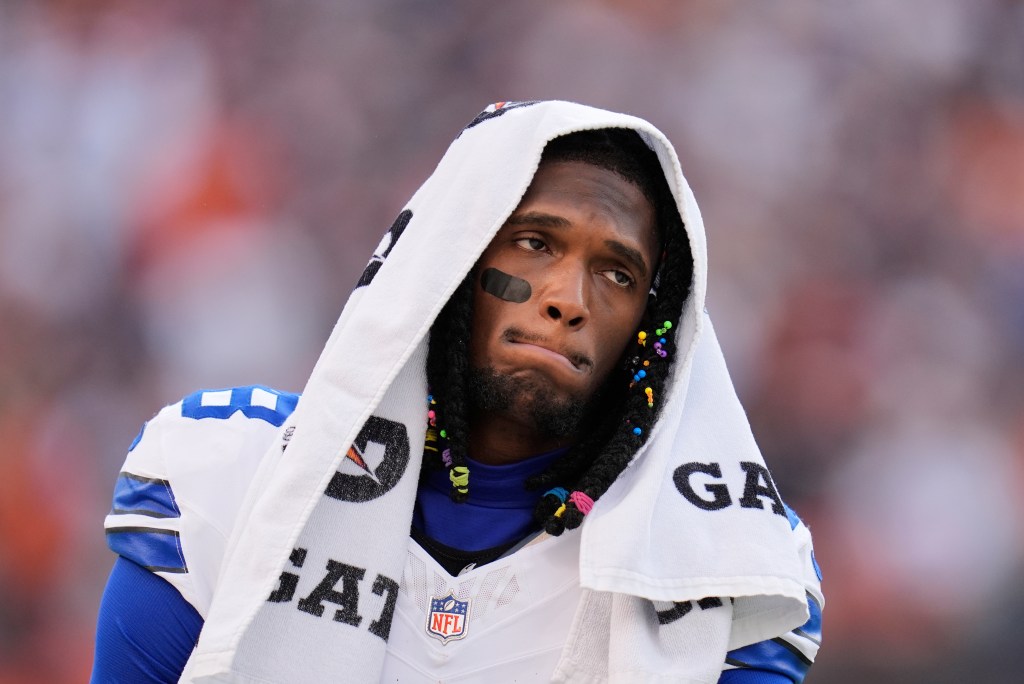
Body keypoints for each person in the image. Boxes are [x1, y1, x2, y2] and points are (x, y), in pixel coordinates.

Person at [92, 101, 822, 683]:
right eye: (535, 243)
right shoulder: (227, 473)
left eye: (617, 274)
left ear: (651, 325)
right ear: (450, 258)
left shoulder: (722, 557)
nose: (568, 300)